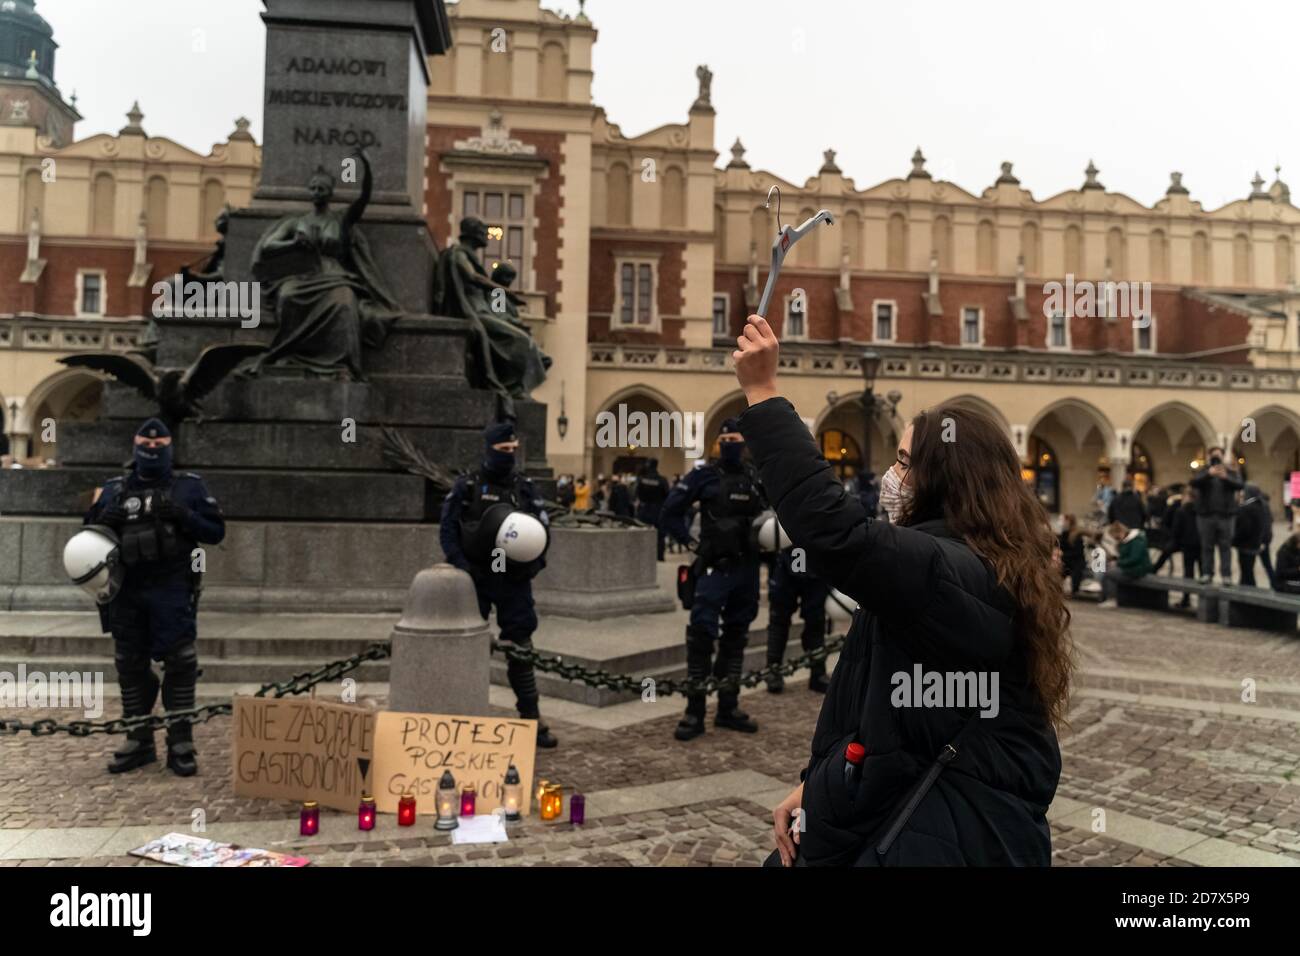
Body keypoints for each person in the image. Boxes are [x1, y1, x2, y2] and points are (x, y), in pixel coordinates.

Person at [733, 313, 1070, 866]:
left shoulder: (949, 570)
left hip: (938, 832)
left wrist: (764, 394)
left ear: (944, 481)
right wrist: (816, 785)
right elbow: (898, 717)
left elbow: (836, 535)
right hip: (916, 803)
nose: (893, 475)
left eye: (905, 462)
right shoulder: (973, 561)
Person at [84, 418, 226, 776]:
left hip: (171, 588)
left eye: (158, 446)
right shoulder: (114, 489)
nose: (151, 451)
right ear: (134, 448)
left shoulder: (189, 488)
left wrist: (184, 515)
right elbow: (86, 538)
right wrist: (105, 519)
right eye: (145, 447)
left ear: (169, 449)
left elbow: (215, 531)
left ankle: (180, 741)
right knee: (129, 663)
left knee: (179, 662)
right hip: (126, 589)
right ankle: (139, 740)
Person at [439, 421, 557, 748]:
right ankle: (466, 716)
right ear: (489, 449)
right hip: (476, 576)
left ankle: (532, 718)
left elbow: (544, 533)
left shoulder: (525, 489)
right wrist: (462, 568)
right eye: (503, 450)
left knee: (520, 645)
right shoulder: (468, 486)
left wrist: (533, 566)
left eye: (513, 450)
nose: (509, 455)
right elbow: (448, 530)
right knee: (470, 645)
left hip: (512, 578)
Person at [660, 419, 766, 741]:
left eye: (737, 438)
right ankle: (694, 713)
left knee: (737, 636)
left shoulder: (754, 476)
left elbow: (772, 515)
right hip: (713, 570)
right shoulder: (703, 475)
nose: (732, 443)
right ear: (719, 442)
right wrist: (691, 546)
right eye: (726, 438)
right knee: (702, 637)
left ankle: (727, 707)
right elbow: (669, 512)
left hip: (746, 568)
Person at [764, 544, 831, 694]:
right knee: (779, 621)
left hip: (815, 563)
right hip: (787, 560)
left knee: (816, 622)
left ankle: (818, 673)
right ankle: (773, 672)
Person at [1189, 447, 1243, 585]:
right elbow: (1193, 482)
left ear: (1223, 457)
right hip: (1206, 516)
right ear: (1209, 457)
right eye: (1214, 456)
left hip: (1226, 516)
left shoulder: (1230, 471)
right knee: (1207, 546)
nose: (1216, 459)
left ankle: (1226, 575)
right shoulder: (1203, 471)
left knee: (1225, 547)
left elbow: (1239, 485)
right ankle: (1207, 573)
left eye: (1218, 456)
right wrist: (1209, 474)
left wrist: (1225, 478)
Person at [1151, 487, 1200, 607]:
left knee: (1188, 572)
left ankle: (1186, 599)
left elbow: (1175, 530)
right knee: (1203, 571)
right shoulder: (1201, 510)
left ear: (1188, 497)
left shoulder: (1181, 510)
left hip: (1186, 544)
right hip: (1200, 544)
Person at [1096, 521, 1153, 608]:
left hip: (1138, 569)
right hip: (1130, 567)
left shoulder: (1137, 540)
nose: (1117, 540)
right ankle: (1105, 597)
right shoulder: (1127, 541)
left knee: (1110, 573)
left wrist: (1118, 563)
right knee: (1105, 571)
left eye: (1117, 538)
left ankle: (1111, 599)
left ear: (1121, 532)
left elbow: (1134, 559)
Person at [1232, 484, 1269, 587]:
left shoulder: (1246, 508)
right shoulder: (1261, 505)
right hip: (1254, 544)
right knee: (1248, 572)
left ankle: (1248, 596)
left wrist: (1233, 540)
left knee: (1247, 572)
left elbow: (1243, 529)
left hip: (1245, 545)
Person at [634, 459, 671, 560]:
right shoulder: (662, 480)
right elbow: (668, 495)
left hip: (644, 510)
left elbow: (637, 493)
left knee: (642, 533)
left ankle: (642, 555)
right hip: (658, 510)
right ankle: (659, 556)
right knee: (660, 535)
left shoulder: (642, 479)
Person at [1057, 514, 1087, 596]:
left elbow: (1078, 552)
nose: (1063, 523)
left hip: (1076, 561)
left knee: (1074, 572)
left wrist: (1063, 555)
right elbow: (1061, 546)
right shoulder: (1064, 533)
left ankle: (1073, 589)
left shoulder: (1076, 535)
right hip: (1066, 560)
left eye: (1065, 521)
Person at [1273, 529, 1300, 594]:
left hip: (1295, 581)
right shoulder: (1283, 552)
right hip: (1284, 583)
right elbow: (1282, 572)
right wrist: (1298, 569)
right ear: (1296, 543)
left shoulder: (1297, 550)